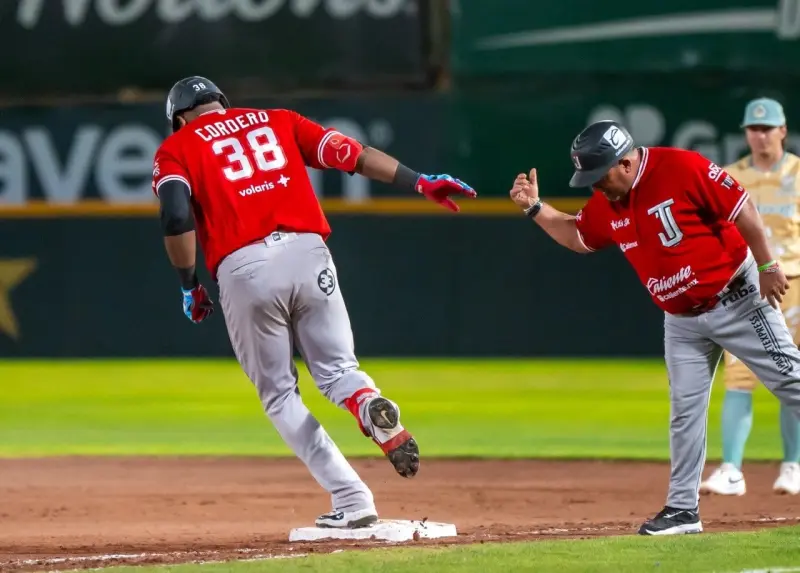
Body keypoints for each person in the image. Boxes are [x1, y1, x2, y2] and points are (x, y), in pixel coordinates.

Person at [151, 76, 476, 529]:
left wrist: (189, 284)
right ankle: (367, 405)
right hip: (309, 252)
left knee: (280, 394)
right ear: (222, 102)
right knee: (340, 369)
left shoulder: (178, 147)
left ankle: (353, 498)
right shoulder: (277, 120)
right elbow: (353, 154)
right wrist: (419, 181)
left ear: (180, 118)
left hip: (245, 266)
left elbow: (175, 213)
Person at [509, 119, 800, 536]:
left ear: (625, 163)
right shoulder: (609, 200)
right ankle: (683, 510)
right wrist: (535, 209)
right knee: (684, 413)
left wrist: (769, 264)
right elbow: (577, 235)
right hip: (681, 321)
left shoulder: (681, 168)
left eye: (600, 175)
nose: (596, 186)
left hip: (737, 298)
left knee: (792, 381)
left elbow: (744, 208)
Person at [700, 98, 800, 497]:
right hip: (747, 286)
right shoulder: (729, 176)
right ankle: (731, 470)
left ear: (782, 131)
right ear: (745, 133)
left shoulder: (798, 172)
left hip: (795, 281)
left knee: (793, 375)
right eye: (753, 129)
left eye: (767, 128)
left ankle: (792, 466)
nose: (759, 135)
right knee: (739, 376)